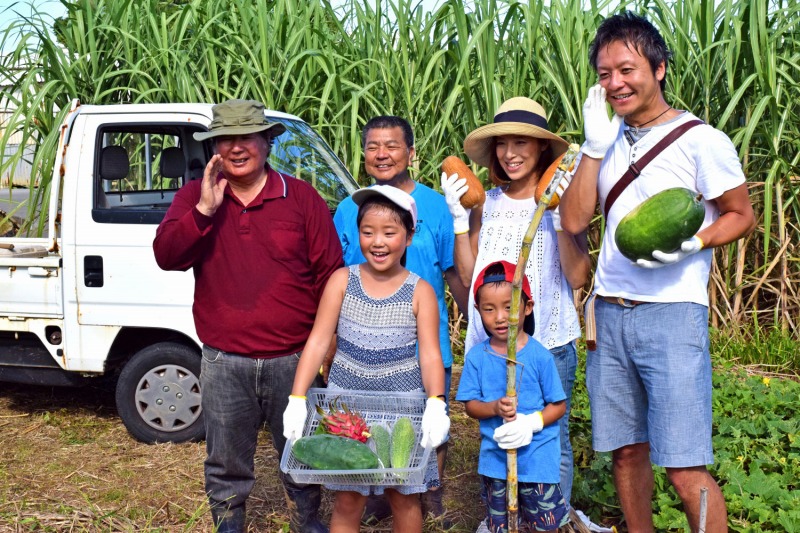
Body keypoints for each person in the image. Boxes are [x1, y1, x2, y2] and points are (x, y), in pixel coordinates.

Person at [558, 12, 756, 533]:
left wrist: (695, 242)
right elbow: (575, 220)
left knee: (684, 464)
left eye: (626, 69)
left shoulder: (702, 140)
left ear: (659, 68)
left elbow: (741, 213)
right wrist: (595, 146)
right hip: (609, 316)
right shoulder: (604, 141)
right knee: (625, 454)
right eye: (603, 74)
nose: (615, 83)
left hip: (672, 316)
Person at [153, 99, 342, 533]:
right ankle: (228, 523)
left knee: (303, 450)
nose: (237, 148)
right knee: (225, 459)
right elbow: (167, 256)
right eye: (226, 140)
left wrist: (327, 341)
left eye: (246, 138)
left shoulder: (300, 197)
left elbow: (330, 273)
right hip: (224, 359)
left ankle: (305, 520)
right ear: (214, 148)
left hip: (294, 358)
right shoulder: (194, 196)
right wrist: (204, 210)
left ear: (266, 143)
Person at [441, 97, 590, 509]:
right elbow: (471, 279)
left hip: (549, 341)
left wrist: (558, 217)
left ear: (542, 148)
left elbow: (578, 277)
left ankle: (551, 517)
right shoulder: (484, 204)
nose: (510, 154)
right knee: (496, 430)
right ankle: (503, 513)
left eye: (522, 143)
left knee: (549, 437)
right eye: (503, 144)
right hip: (491, 342)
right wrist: (458, 220)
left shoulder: (560, 202)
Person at [283, 185, 450, 532]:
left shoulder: (420, 290)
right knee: (347, 500)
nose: (378, 242)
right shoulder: (342, 281)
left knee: (403, 497)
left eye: (390, 233)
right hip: (348, 408)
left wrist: (436, 402)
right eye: (367, 232)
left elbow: (431, 354)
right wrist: (297, 398)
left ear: (409, 236)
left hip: (402, 406)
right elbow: (317, 342)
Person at [332, 115, 468, 523]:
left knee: (426, 431)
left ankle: (428, 495)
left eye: (391, 146)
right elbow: (337, 277)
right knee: (368, 430)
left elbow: (452, 271)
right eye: (373, 146)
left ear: (411, 153)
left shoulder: (436, 206)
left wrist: (480, 325)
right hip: (362, 347)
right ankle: (375, 495)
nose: (382, 154)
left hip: (423, 343)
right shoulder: (346, 209)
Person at [456, 260, 569, 532]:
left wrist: (530, 423)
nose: (500, 317)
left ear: (527, 307)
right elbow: (471, 406)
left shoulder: (540, 356)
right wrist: (494, 408)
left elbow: (559, 406)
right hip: (496, 461)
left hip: (537, 461)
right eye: (489, 309)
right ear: (478, 312)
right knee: (502, 524)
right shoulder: (476, 358)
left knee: (544, 524)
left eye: (509, 307)